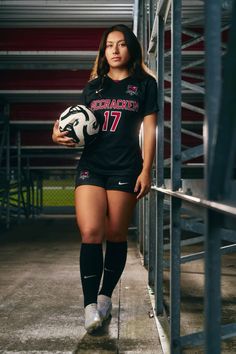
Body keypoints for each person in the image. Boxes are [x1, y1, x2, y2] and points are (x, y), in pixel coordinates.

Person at [52, 24, 158, 334]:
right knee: (91, 232)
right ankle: (89, 308)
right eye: (109, 45)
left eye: (121, 44)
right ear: (103, 52)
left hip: (126, 167)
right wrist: (55, 134)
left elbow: (149, 129)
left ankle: (104, 296)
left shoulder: (145, 85)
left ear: (131, 50)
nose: (114, 50)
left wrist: (146, 169)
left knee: (115, 235)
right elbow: (68, 123)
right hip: (92, 165)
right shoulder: (93, 87)